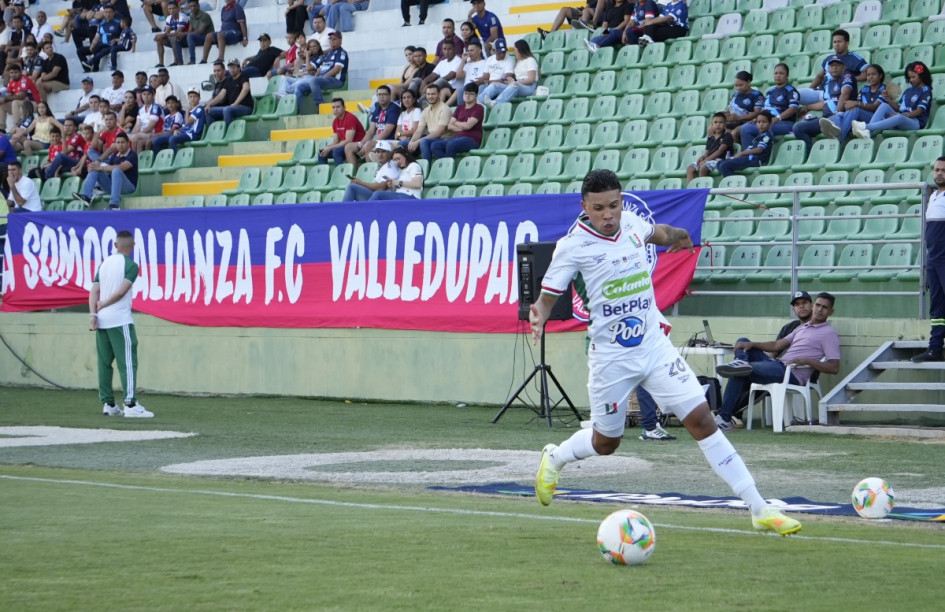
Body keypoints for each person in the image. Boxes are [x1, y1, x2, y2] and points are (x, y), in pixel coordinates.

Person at [530, 168, 801, 536]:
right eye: (599, 208)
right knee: (606, 442)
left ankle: (758, 507)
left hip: (654, 346)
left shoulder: (632, 223)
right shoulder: (572, 246)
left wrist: (682, 235)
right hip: (611, 358)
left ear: (621, 202)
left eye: (614, 205)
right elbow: (547, 299)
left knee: (702, 421)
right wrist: (539, 316)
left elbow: (662, 233)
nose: (608, 215)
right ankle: (555, 457)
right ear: (585, 207)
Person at [714, 292, 841, 431]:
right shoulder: (801, 327)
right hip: (778, 365)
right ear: (813, 305)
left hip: (791, 373)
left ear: (831, 311)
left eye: (824, 307)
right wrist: (753, 344)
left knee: (739, 371)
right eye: (818, 305)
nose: (819, 309)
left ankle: (724, 418)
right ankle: (741, 361)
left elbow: (834, 367)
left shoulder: (829, 333)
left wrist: (808, 361)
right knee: (743, 342)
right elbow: (776, 346)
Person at [89, 230, 153, 418]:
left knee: (104, 363)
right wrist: (103, 304)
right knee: (128, 363)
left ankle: (108, 403)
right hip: (120, 320)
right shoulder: (131, 265)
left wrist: (94, 312)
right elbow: (120, 293)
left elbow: (93, 291)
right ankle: (130, 404)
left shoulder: (105, 263)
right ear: (132, 246)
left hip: (102, 320)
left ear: (116, 245)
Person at [912, 157, 945, 363]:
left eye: (943, 170)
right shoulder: (933, 196)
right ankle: (935, 348)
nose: (939, 173)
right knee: (938, 306)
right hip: (933, 258)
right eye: (936, 169)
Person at [854, 61, 933, 140]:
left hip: (915, 122)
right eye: (909, 78)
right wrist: (887, 98)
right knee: (884, 105)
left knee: (899, 117)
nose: (911, 80)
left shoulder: (926, 90)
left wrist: (903, 115)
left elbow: (919, 111)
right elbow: (898, 108)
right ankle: (868, 132)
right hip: (903, 117)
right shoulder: (908, 90)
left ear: (921, 75)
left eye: (913, 77)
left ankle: (865, 126)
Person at [792, 56, 854, 156]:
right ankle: (810, 155)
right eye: (832, 65)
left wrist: (836, 115)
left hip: (841, 118)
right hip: (826, 119)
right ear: (828, 69)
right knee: (798, 128)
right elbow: (827, 102)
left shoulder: (846, 79)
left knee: (832, 124)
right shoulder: (828, 84)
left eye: (838, 65)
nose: (834, 67)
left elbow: (845, 95)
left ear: (843, 68)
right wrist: (808, 107)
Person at [798, 29, 868, 106]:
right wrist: (810, 89)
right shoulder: (829, 58)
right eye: (834, 42)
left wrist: (849, 79)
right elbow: (820, 76)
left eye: (839, 42)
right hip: (822, 92)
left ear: (847, 43)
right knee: (793, 95)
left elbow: (867, 73)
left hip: (838, 93)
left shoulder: (854, 58)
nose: (836, 44)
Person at [820, 64, 886, 143]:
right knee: (843, 112)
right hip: (862, 118)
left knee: (855, 109)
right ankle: (835, 126)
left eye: (873, 74)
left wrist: (856, 104)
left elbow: (875, 107)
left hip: (876, 119)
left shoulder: (884, 89)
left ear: (880, 75)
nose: (870, 77)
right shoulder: (864, 89)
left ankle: (840, 136)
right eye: (868, 75)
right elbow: (857, 103)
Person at [741, 63, 800, 150]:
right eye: (776, 73)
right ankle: (750, 156)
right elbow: (765, 109)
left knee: (757, 128)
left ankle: (758, 157)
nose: (778, 76)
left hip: (785, 123)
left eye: (781, 73)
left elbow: (793, 108)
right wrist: (758, 118)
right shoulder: (770, 91)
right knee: (745, 128)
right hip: (768, 121)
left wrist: (777, 118)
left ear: (787, 75)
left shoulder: (791, 91)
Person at [73, 131, 138, 209]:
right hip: (113, 187)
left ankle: (114, 204)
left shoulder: (132, 155)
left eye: (123, 142)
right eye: (118, 142)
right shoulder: (115, 155)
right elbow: (107, 169)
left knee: (116, 170)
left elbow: (122, 167)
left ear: (128, 143)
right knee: (95, 169)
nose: (120, 145)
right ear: (115, 144)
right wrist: (94, 166)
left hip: (128, 187)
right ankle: (87, 196)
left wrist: (101, 167)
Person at [289, 30, 347, 110]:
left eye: (334, 39)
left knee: (313, 81)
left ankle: (320, 106)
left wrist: (322, 77)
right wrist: (318, 74)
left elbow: (336, 69)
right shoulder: (329, 54)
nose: (331, 41)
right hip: (323, 79)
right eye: (330, 39)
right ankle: (296, 111)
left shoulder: (341, 53)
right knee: (300, 86)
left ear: (340, 40)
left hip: (336, 80)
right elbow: (321, 67)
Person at [344, 85, 399, 164]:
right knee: (349, 147)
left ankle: (370, 174)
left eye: (384, 94)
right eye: (379, 95)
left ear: (390, 96)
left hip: (389, 140)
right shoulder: (378, 109)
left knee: (369, 145)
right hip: (377, 140)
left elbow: (387, 131)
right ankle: (355, 174)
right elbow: (370, 131)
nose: (381, 97)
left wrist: (368, 144)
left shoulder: (394, 108)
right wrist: (361, 144)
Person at [428, 83, 484, 160]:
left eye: (471, 94)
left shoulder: (479, 108)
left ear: (476, 96)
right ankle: (447, 166)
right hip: (457, 137)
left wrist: (456, 122)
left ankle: (448, 168)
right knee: (435, 146)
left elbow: (468, 126)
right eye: (466, 93)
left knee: (451, 144)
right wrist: (463, 126)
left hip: (472, 139)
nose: (467, 96)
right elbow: (450, 125)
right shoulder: (460, 108)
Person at [478, 39, 538, 108]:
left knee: (514, 85)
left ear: (521, 51)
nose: (514, 52)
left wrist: (516, 82)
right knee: (495, 85)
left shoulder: (530, 60)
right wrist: (510, 82)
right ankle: (479, 102)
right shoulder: (518, 61)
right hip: (518, 85)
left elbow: (531, 80)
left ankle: (496, 103)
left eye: (515, 50)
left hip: (529, 87)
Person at [717, 110, 773, 177]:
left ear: (770, 123)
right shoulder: (759, 135)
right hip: (748, 158)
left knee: (724, 166)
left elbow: (759, 149)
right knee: (719, 163)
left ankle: (735, 184)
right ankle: (734, 179)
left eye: (764, 122)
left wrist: (742, 153)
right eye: (758, 122)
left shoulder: (766, 136)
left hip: (755, 160)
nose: (761, 124)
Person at [153, 87, 205, 153]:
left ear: (199, 98)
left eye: (195, 97)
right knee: (157, 140)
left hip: (192, 135)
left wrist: (186, 112)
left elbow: (188, 122)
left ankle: (175, 159)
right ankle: (159, 161)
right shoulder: (189, 110)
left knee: (172, 139)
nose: (193, 99)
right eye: (190, 97)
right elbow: (184, 126)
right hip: (183, 133)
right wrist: (177, 130)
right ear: (188, 98)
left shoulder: (199, 109)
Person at [407, 84, 450, 162]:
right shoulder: (426, 110)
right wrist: (411, 142)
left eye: (433, 94)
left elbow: (439, 133)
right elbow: (419, 130)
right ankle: (412, 169)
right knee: (404, 144)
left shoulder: (444, 109)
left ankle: (426, 169)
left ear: (439, 94)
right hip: (432, 139)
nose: (430, 96)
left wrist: (418, 141)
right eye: (428, 94)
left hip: (444, 139)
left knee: (423, 141)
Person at [687, 112, 731, 183]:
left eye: (721, 122)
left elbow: (720, 151)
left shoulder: (727, 136)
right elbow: (707, 151)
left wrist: (705, 161)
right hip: (709, 159)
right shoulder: (711, 137)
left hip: (720, 160)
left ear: (725, 124)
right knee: (690, 168)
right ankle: (692, 190)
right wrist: (702, 157)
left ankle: (702, 189)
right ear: (712, 124)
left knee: (703, 168)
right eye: (715, 122)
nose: (718, 124)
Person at [207, 59, 253, 128]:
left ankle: (229, 133)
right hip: (232, 107)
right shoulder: (229, 80)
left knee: (227, 109)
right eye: (230, 67)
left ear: (239, 68)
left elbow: (246, 88)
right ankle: (213, 134)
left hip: (244, 107)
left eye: (234, 67)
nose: (232, 69)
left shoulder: (243, 77)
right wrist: (209, 104)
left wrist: (235, 103)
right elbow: (221, 95)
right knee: (209, 111)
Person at [319, 97, 365, 165]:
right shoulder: (335, 121)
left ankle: (340, 174)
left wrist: (330, 148)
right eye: (333, 107)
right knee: (322, 153)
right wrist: (327, 147)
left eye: (338, 107)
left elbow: (348, 140)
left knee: (336, 151)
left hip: (357, 146)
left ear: (344, 107)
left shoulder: (350, 118)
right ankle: (322, 175)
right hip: (344, 146)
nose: (335, 109)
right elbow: (336, 142)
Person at [200, 0, 247, 64]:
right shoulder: (224, 9)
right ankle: (204, 60)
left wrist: (245, 38)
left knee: (220, 34)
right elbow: (223, 24)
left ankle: (220, 59)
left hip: (235, 33)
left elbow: (242, 23)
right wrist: (219, 41)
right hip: (224, 34)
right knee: (209, 36)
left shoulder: (237, 7)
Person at [724, 70, 763, 142]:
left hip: (747, 122)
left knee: (734, 133)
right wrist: (725, 114)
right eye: (736, 85)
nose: (738, 88)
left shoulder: (756, 95)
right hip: (734, 122)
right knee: (714, 128)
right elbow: (729, 108)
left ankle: (737, 151)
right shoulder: (735, 94)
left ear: (748, 81)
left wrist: (738, 117)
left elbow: (757, 113)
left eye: (741, 85)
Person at [128, 86, 164, 153]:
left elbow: (150, 127)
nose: (146, 96)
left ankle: (134, 159)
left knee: (135, 137)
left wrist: (137, 134)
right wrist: (133, 133)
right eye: (144, 94)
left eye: (148, 94)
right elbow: (137, 125)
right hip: (143, 133)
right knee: (126, 136)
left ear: (153, 95)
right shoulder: (141, 108)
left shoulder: (155, 107)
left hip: (154, 133)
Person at [154, 1, 189, 68]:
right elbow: (167, 32)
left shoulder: (182, 16)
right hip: (178, 39)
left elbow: (179, 32)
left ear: (178, 8)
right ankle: (161, 63)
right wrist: (160, 36)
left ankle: (176, 61)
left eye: (173, 8)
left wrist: (164, 35)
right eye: (169, 9)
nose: (171, 10)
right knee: (159, 39)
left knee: (173, 38)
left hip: (186, 39)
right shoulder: (169, 18)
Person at [184, 0, 214, 65]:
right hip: (198, 37)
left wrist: (183, 33)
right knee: (177, 39)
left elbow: (200, 31)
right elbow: (190, 30)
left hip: (206, 38)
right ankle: (178, 61)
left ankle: (192, 60)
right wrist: (180, 35)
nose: (192, 8)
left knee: (190, 36)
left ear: (198, 6)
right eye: (191, 6)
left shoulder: (205, 15)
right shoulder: (191, 16)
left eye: (194, 6)